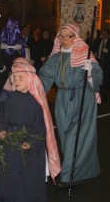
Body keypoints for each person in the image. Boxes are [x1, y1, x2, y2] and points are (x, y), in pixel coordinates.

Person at [0, 58, 61, 202]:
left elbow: (40, 128)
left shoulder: (36, 103)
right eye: (14, 77)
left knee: (26, 181)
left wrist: (30, 143)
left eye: (20, 78)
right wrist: (2, 130)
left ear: (30, 79)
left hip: (28, 149)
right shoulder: (11, 99)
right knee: (6, 177)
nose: (15, 81)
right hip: (11, 144)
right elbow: (2, 118)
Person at [38, 23, 102, 187]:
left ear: (76, 38)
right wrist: (32, 93)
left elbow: (97, 77)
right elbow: (44, 78)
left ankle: (67, 176)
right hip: (63, 99)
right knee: (66, 137)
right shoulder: (56, 57)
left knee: (75, 136)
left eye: (69, 36)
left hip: (83, 97)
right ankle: (77, 171)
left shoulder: (85, 54)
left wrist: (90, 72)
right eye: (62, 36)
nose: (65, 39)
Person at [93, 28, 110, 100]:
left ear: (108, 35)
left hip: (107, 62)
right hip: (99, 61)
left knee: (107, 78)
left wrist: (108, 51)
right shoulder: (98, 41)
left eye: (105, 33)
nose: (104, 35)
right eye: (103, 33)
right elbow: (94, 49)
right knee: (98, 77)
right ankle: (98, 92)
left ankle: (106, 93)